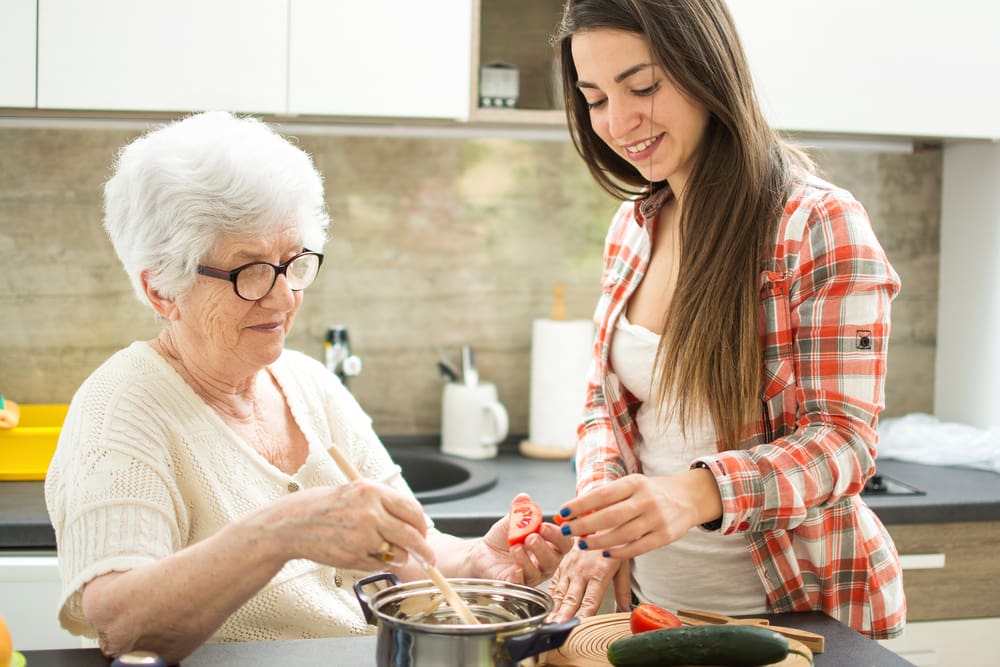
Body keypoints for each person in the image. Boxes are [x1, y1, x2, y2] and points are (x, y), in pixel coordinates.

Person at [44, 111, 571, 664]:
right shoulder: (119, 411)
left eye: (292, 261)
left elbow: (410, 552)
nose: (283, 297)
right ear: (162, 291)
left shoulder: (309, 384)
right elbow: (123, 628)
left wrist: (475, 561)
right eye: (249, 272)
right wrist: (277, 534)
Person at [544, 0, 905, 639]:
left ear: (706, 67)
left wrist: (695, 492)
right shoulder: (633, 227)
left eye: (644, 86)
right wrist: (604, 517)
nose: (618, 121)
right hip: (654, 614)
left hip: (800, 618)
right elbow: (607, 404)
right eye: (595, 98)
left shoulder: (816, 224)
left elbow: (844, 442)